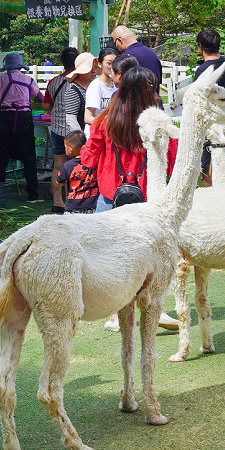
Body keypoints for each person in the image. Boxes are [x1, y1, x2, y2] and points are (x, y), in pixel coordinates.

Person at [81, 67, 179, 332]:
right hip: (146, 195)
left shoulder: (106, 119)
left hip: (110, 194)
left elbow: (89, 155)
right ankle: (153, 307)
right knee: (149, 255)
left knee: (113, 256)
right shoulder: (156, 121)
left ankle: (115, 313)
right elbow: (171, 156)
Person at [0, 52, 44, 203]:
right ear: (20, 66)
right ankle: (33, 195)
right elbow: (40, 98)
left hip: (5, 119)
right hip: (24, 119)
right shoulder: (29, 80)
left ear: (6, 67)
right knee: (29, 157)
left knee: (1, 157)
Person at [48, 50, 93, 212]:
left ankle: (57, 202)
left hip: (57, 130)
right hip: (75, 134)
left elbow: (47, 106)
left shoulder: (53, 82)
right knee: (76, 168)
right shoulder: (83, 84)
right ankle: (73, 201)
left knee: (58, 167)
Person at [193, 29, 225, 183]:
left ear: (200, 47)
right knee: (222, 157)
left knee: (206, 164)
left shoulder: (203, 70)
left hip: (208, 121)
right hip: (223, 118)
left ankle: (212, 193)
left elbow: (199, 98)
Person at [56, 131, 98, 214]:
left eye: (65, 147)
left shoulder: (67, 165)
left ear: (70, 149)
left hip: (73, 207)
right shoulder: (94, 162)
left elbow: (59, 182)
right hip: (92, 206)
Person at [113, 25, 163, 93]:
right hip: (154, 100)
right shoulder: (152, 53)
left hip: (135, 101)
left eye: (115, 43)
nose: (116, 46)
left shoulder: (125, 58)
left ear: (119, 40)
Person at [84, 50, 119, 131]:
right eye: (109, 63)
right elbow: (88, 118)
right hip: (96, 136)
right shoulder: (96, 85)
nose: (112, 67)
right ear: (100, 64)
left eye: (115, 63)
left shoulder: (116, 86)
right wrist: (110, 124)